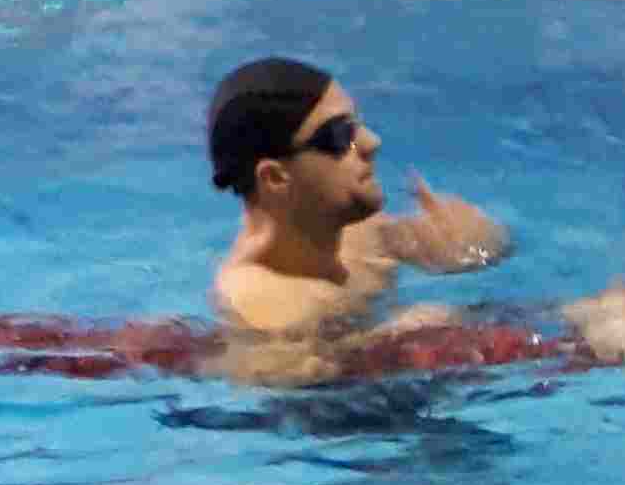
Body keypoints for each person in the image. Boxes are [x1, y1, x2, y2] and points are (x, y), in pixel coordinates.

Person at [210, 59, 509, 365]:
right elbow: (283, 375)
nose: (371, 142)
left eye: (358, 125)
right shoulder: (261, 305)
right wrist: (404, 338)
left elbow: (467, 249)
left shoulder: (354, 232)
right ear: (275, 178)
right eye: (339, 136)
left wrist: (466, 237)